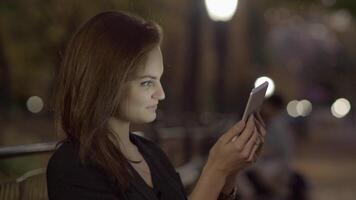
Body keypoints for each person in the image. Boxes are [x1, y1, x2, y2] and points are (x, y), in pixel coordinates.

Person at [47, 11, 266, 200]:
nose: (161, 94)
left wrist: (229, 174)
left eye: (159, 80)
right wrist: (215, 169)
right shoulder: (73, 166)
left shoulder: (152, 154)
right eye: (146, 82)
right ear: (105, 83)